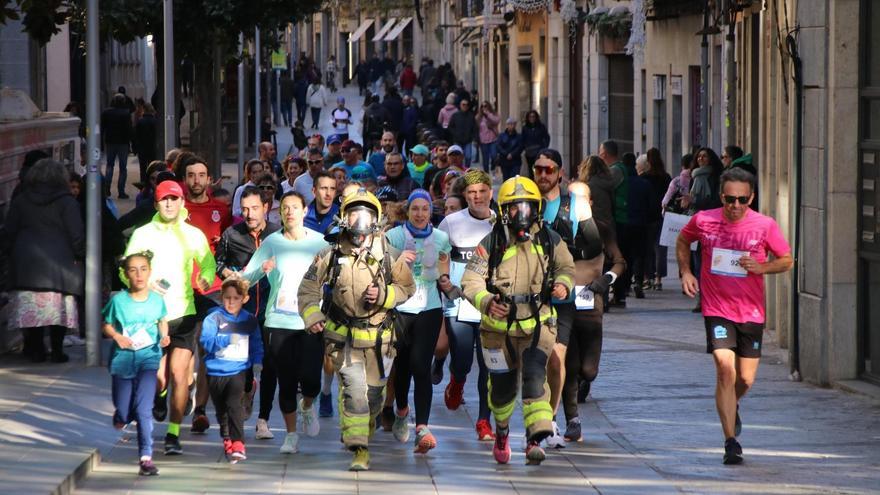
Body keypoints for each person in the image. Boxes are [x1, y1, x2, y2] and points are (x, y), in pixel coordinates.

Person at [676, 167, 793, 465]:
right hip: (716, 308)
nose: (736, 206)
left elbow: (786, 260)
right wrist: (687, 272)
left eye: (742, 200)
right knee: (725, 371)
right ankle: (730, 441)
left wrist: (762, 268)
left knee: (745, 378)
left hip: (751, 311)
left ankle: (733, 403)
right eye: (730, 199)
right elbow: (682, 241)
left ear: (751, 197)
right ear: (721, 196)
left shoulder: (765, 225)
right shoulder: (704, 220)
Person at [460, 175, 576, 465]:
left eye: (527, 207)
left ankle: (534, 439)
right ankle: (501, 430)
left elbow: (566, 267)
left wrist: (563, 283)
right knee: (502, 390)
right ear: (504, 210)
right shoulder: (492, 242)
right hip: (497, 332)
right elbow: (470, 281)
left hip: (538, 326)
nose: (521, 214)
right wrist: (486, 302)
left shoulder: (550, 239)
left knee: (536, 377)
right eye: (514, 207)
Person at [297, 188, 415, 471]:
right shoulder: (331, 253)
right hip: (342, 338)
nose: (359, 222)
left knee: (374, 396)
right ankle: (359, 448)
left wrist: (385, 296)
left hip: (379, 340)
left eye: (365, 215)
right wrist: (312, 314)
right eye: (353, 214)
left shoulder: (389, 253)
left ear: (375, 218)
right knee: (355, 390)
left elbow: (407, 287)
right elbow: (308, 288)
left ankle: (360, 429)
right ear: (344, 218)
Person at [122, 180, 215, 456]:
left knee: (179, 372)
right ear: (156, 203)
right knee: (160, 378)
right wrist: (140, 282)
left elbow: (207, 262)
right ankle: (160, 396)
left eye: (174, 199)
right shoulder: (142, 234)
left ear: (182, 202)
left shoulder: (193, 234)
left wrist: (206, 276)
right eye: (164, 199)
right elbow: (124, 270)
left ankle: (174, 433)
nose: (170, 204)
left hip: (184, 314)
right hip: (152, 316)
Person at [236, 191, 329, 454]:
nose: (289, 212)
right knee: (286, 380)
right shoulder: (271, 242)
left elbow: (337, 275)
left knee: (311, 380)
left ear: (304, 210)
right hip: (277, 321)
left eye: (294, 207)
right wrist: (257, 271)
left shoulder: (320, 243)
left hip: (311, 320)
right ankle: (290, 435)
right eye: (285, 208)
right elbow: (249, 276)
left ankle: (307, 406)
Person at [384, 189, 452, 453]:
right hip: (401, 306)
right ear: (408, 211)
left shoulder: (441, 238)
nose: (420, 214)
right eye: (415, 209)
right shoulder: (395, 236)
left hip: (430, 307)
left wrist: (446, 281)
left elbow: (445, 271)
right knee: (401, 366)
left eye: (425, 209)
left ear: (430, 212)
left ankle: (422, 427)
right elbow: (385, 270)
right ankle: (401, 409)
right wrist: (400, 260)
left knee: (420, 365)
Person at [215, 186, 281, 440]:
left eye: (254, 208)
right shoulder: (232, 234)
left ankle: (263, 419)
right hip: (241, 310)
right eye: (244, 209)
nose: (249, 214)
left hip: (271, 308)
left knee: (270, 364)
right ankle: (246, 388)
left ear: (266, 207)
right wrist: (228, 274)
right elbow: (218, 262)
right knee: (241, 365)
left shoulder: (277, 234)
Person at [2, 158, 84, 363]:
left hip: (26, 265)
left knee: (31, 311)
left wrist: (9, 255)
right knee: (59, 310)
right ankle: (57, 350)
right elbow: (76, 234)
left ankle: (35, 348)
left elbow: (9, 231)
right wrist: (80, 255)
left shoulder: (21, 200)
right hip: (60, 267)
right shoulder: (67, 202)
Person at [436, 169, 496, 442]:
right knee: (462, 357)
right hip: (458, 300)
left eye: (482, 192)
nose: (477, 197)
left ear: (490, 193)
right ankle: (457, 381)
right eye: (472, 193)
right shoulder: (451, 222)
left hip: (488, 300)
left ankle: (484, 420)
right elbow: (440, 255)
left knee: (488, 364)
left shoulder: (499, 222)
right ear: (465, 196)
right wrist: (445, 279)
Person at [102, 251, 170, 476]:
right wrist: (118, 337)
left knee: (144, 409)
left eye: (143, 269)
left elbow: (162, 321)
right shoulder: (118, 301)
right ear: (126, 274)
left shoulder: (156, 300)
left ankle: (146, 457)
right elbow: (107, 325)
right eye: (133, 270)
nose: (139, 275)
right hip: (122, 361)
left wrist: (164, 336)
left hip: (148, 358)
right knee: (123, 410)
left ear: (149, 272)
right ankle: (122, 415)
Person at [200, 278, 264, 464]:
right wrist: (226, 340)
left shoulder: (249, 320)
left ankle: (238, 444)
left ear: (244, 299)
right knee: (221, 410)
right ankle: (226, 437)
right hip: (215, 371)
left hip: (238, 370)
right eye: (227, 297)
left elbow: (256, 343)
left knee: (234, 405)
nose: (231, 302)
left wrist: (258, 361)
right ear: (221, 297)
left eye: (236, 298)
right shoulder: (213, 318)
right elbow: (206, 342)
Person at [642, 148, 672, 290]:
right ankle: (658, 279)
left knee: (647, 249)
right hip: (663, 216)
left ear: (648, 160)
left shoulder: (644, 177)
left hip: (647, 216)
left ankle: (647, 278)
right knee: (661, 248)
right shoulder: (666, 177)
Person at [101, 93, 134, 198]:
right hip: (123, 143)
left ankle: (107, 189)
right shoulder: (126, 113)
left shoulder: (106, 113)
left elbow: (102, 128)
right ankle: (121, 191)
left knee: (109, 165)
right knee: (123, 167)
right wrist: (131, 142)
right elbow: (129, 130)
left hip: (110, 141)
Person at [447, 99, 478, 166]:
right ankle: (458, 170)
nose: (465, 106)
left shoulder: (471, 116)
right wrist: (455, 134)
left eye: (466, 105)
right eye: (463, 104)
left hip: (468, 140)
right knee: (457, 157)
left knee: (468, 157)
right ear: (460, 105)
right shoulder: (455, 115)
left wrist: (473, 137)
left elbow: (474, 128)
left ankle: (466, 170)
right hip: (457, 140)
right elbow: (450, 127)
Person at [134, 103, 158, 185]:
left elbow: (136, 136)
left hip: (142, 148)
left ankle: (144, 184)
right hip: (152, 147)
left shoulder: (140, 122)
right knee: (152, 167)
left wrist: (135, 148)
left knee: (143, 168)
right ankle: (152, 183)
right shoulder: (155, 121)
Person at [476, 102, 500, 171]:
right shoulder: (479, 117)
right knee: (485, 159)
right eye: (482, 106)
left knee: (494, 155)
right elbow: (476, 127)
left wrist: (488, 114)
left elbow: (496, 121)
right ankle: (486, 173)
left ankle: (493, 165)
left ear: (488, 106)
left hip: (493, 139)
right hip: (483, 141)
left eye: (485, 106)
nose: (484, 108)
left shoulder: (493, 114)